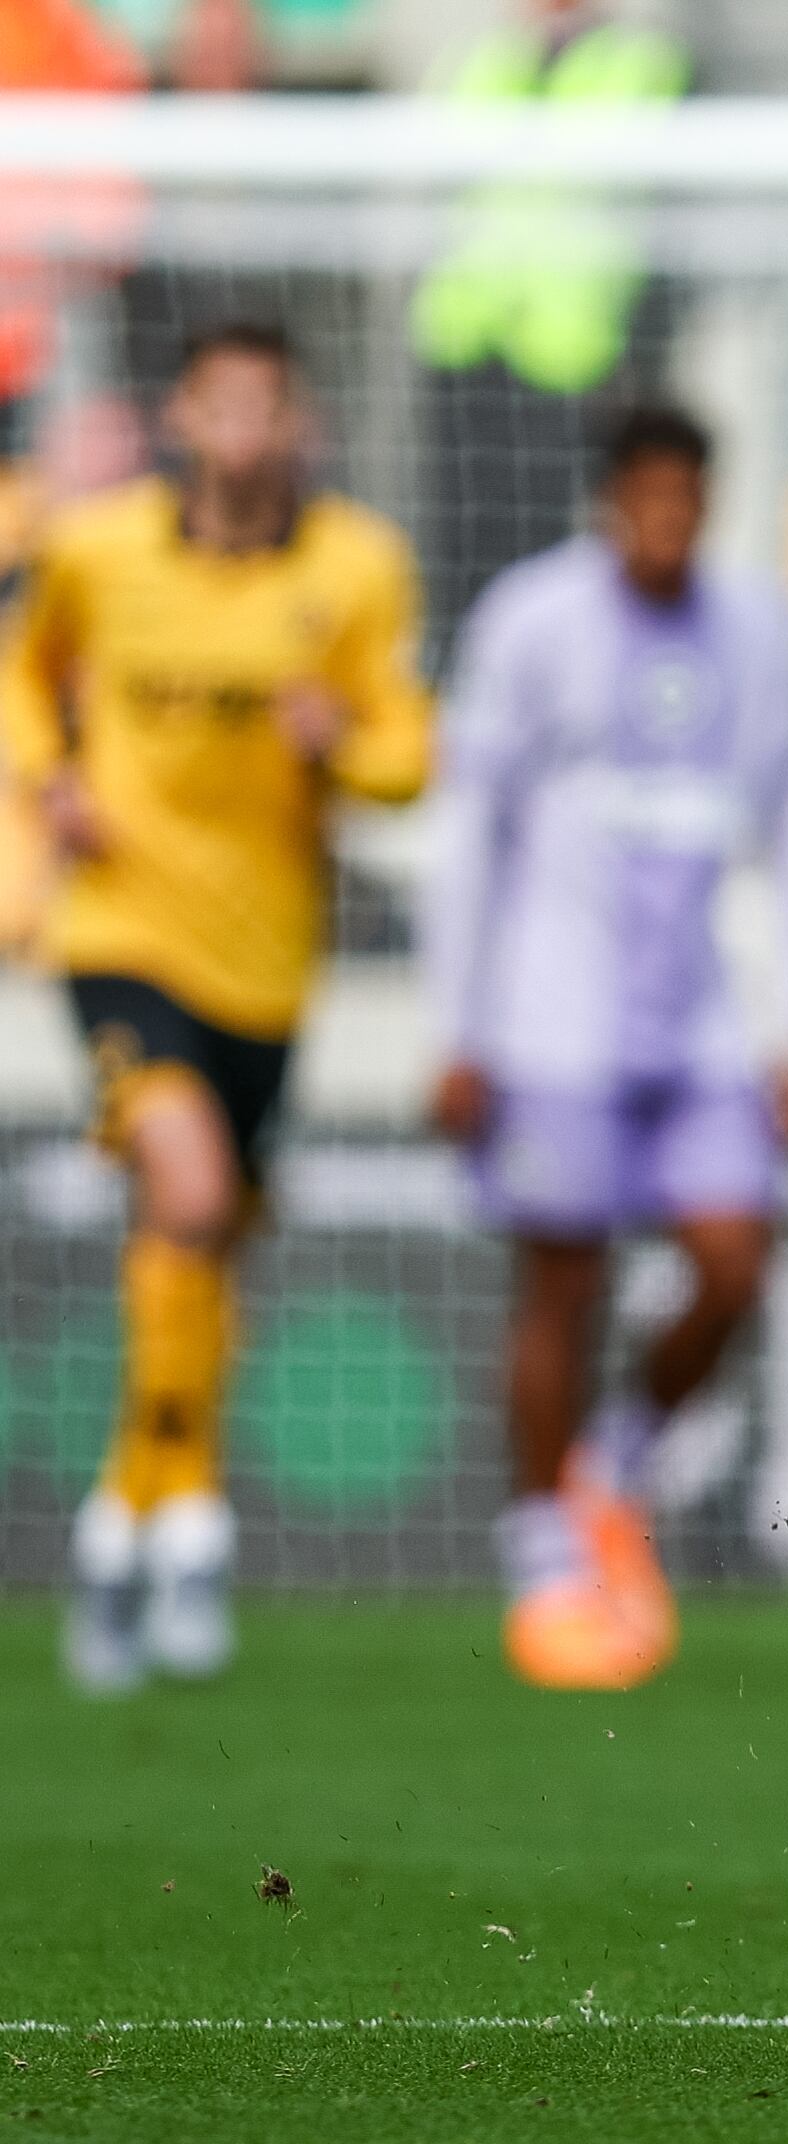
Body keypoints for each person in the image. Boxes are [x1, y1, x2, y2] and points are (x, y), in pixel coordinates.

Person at [1, 320, 430, 1693]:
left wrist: (344, 745)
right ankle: (190, 1528)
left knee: (208, 1245)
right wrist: (45, 776)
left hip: (268, 963)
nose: (244, 424)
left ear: (296, 422)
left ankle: (121, 1525)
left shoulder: (355, 566)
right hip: (121, 932)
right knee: (184, 1194)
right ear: (182, 417)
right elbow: (20, 670)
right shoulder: (97, 548)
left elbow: (410, 757)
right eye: (220, 400)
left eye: (268, 402)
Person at [421, 407, 788, 1693]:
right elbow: (467, 821)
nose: (665, 522)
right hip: (552, 1016)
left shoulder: (758, 627)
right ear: (609, 503)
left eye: (686, 500)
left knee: (733, 1260)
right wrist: (457, 1023)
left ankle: (611, 1467)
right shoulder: (530, 621)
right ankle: (544, 1551)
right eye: (644, 498)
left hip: (702, 1017)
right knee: (563, 1285)